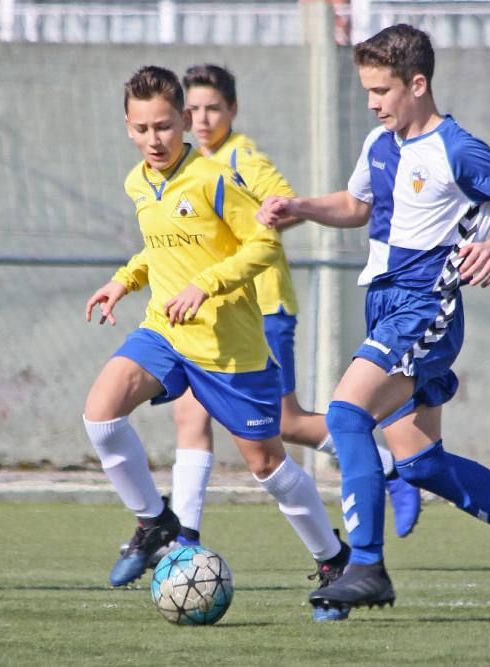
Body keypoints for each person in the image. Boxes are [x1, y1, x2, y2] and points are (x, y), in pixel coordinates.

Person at [258, 25, 490, 618]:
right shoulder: (381, 144)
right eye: (367, 91)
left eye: (382, 90)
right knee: (420, 462)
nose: (373, 103)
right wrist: (299, 207)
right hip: (385, 304)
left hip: (426, 307)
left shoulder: (456, 148)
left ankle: (366, 567)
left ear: (418, 83)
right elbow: (357, 207)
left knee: (347, 413)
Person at [82, 65, 348, 592]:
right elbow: (160, 247)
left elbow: (264, 245)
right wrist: (122, 282)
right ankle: (155, 522)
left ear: (183, 120)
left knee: (268, 464)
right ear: (128, 128)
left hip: (228, 347)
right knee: (101, 414)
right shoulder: (138, 181)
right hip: (165, 331)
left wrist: (205, 286)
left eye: (162, 126)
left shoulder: (213, 178)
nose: (152, 139)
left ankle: (333, 558)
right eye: (141, 129)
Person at [163, 64, 420, 551]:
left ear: (232, 110)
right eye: (191, 110)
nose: (200, 119)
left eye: (212, 108)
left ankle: (390, 469)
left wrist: (254, 231)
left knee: (284, 422)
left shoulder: (241, 157)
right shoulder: (189, 167)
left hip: (261, 307)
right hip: (213, 317)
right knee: (189, 414)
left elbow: (280, 205)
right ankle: (181, 540)